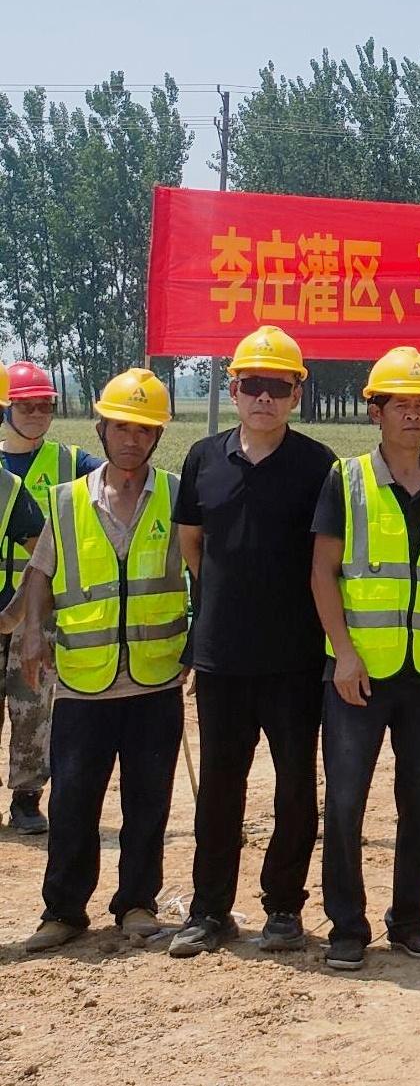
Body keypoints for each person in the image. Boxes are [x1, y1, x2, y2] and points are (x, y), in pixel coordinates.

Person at [3, 369, 186, 953]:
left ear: (157, 436)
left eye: (144, 430)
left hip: (155, 677)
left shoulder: (177, 497)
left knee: (148, 801)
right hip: (83, 680)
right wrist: (34, 633)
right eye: (122, 427)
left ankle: (137, 903)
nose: (132, 439)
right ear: (101, 429)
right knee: (74, 801)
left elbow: (206, 570)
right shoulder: (67, 500)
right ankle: (63, 911)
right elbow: (40, 572)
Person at [170, 326, 337, 958]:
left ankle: (284, 907)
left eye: (277, 386)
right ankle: (209, 910)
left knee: (296, 786)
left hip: (294, 659)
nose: (263, 397)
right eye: (251, 385)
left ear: (297, 394)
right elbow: (193, 545)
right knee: (220, 787)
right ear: (233, 389)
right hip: (222, 658)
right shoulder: (202, 459)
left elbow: (326, 558)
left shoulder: (318, 466)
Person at [310, 347, 420, 970]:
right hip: (359, 675)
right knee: (346, 801)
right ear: (375, 411)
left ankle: (410, 922)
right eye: (400, 403)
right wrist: (344, 654)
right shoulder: (347, 480)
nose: (413, 415)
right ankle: (346, 927)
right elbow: (323, 572)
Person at [1, 359, 98, 835]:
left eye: (46, 406)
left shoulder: (72, 462)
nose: (39, 414)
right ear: (6, 410)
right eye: (28, 406)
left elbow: (120, 477)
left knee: (34, 704)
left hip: (38, 608)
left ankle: (27, 798)